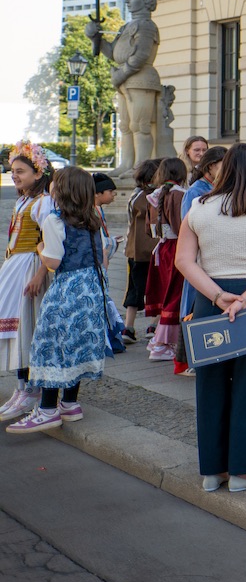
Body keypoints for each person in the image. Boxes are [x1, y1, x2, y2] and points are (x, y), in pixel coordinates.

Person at [175, 143, 246, 492]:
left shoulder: (199, 207)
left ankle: (214, 471)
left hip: (212, 298)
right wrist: (245, 299)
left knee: (210, 383)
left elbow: (184, 261)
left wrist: (216, 295)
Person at [4, 167, 114, 434]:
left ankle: (48, 409)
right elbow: (103, 256)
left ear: (62, 190)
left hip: (68, 287)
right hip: (92, 287)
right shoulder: (92, 217)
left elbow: (53, 261)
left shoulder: (55, 220)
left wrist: (40, 248)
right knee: (76, 343)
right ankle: (70, 404)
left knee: (50, 343)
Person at [0, 145, 55, 422]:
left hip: (31, 268)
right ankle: (21, 388)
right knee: (13, 329)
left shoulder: (44, 202)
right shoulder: (23, 200)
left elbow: (50, 242)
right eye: (13, 171)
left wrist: (40, 274)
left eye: (20, 171)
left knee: (27, 328)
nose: (15, 176)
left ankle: (32, 388)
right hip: (15, 266)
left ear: (38, 172)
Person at [175, 146, 229, 374]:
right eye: (223, 165)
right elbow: (189, 228)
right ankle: (193, 359)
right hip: (200, 259)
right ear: (211, 166)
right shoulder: (196, 191)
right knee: (195, 306)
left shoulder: (220, 188)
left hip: (219, 258)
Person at [143, 158, 188, 363]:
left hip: (161, 249)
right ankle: (162, 344)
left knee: (167, 293)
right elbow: (182, 227)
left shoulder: (155, 195)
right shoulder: (179, 194)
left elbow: (150, 229)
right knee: (175, 295)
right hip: (176, 248)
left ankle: (160, 340)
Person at [120, 158, 161, 345]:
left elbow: (130, 222)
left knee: (134, 288)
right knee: (159, 287)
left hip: (135, 250)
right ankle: (154, 324)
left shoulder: (135, 196)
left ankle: (128, 326)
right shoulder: (161, 196)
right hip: (156, 249)